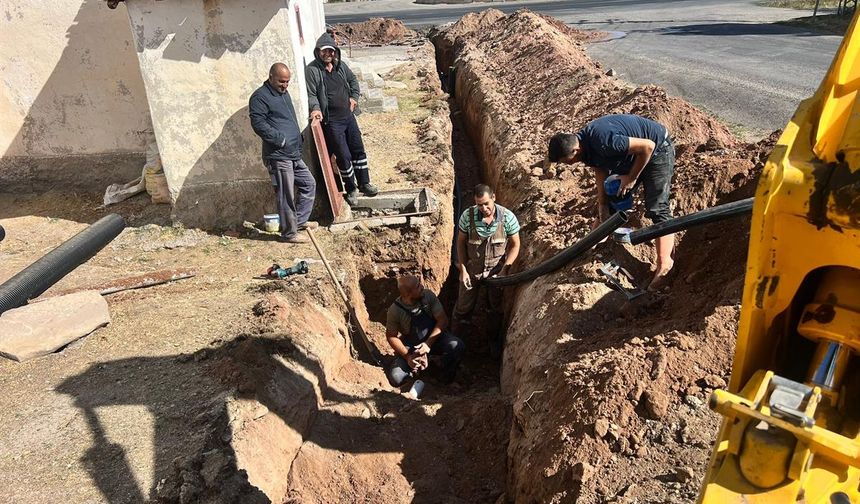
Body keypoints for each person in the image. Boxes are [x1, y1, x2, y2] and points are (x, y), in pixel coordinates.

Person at [547, 114, 676, 288]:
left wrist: (631, 178)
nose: (567, 165)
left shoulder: (605, 141)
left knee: (657, 208)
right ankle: (592, 241)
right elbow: (600, 170)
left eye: (566, 161)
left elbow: (648, 146)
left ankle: (665, 263)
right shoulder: (585, 147)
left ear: (575, 151)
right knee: (614, 192)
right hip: (635, 154)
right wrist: (603, 204)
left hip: (658, 150)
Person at [305, 32, 379, 208]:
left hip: (348, 117)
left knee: (358, 150)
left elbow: (353, 82)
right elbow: (312, 94)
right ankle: (351, 188)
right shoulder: (313, 70)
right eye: (324, 51)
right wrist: (316, 109)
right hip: (333, 122)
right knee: (344, 155)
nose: (328, 54)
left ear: (335, 52)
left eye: (331, 51)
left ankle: (364, 183)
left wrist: (354, 98)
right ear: (318, 51)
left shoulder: (340, 66)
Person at [249, 62, 317, 244]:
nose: (285, 85)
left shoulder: (284, 94)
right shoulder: (260, 97)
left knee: (309, 184)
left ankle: (298, 222)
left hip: (293, 153)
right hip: (278, 155)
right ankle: (289, 233)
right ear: (271, 77)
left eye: (287, 82)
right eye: (281, 81)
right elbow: (258, 124)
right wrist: (280, 139)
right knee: (286, 195)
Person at [454, 184, 521, 357]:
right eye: (479, 205)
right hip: (473, 270)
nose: (483, 208)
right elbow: (460, 242)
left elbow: (515, 245)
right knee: (463, 308)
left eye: (486, 204)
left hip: (495, 272)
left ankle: (493, 342)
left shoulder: (507, 218)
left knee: (495, 308)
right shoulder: (467, 216)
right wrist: (463, 269)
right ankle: (457, 345)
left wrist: (505, 269)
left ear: (494, 198)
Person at [385, 275, 465, 387]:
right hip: (411, 348)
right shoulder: (394, 310)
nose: (422, 287)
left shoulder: (428, 296)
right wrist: (408, 357)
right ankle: (414, 370)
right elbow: (391, 336)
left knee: (456, 346)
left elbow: (442, 320)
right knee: (396, 378)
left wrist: (428, 344)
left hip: (435, 340)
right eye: (418, 286)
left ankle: (441, 375)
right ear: (408, 294)